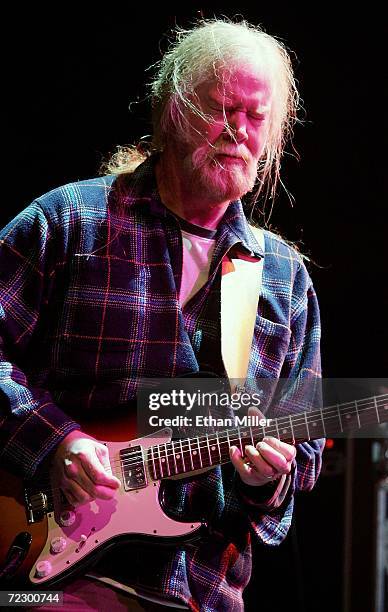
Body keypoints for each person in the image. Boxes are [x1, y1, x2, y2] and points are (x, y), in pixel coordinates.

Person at [0, 19, 324, 611]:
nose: (238, 132)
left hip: (204, 589)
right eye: (222, 108)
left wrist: (265, 477)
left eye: (256, 118)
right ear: (174, 110)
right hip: (52, 575)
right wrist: (56, 442)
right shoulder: (69, 222)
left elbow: (299, 459)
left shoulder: (282, 278)